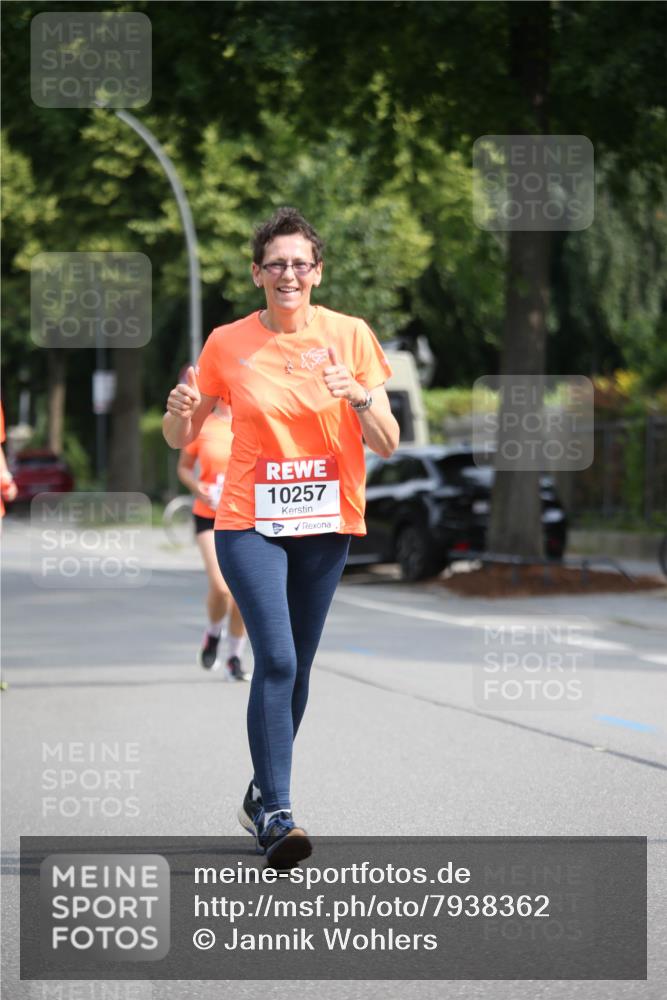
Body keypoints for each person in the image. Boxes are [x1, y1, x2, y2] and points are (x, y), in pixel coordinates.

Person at [163, 206, 399, 868]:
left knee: (300, 665)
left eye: (299, 263)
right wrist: (177, 414)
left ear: (317, 272)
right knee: (278, 659)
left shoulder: (350, 336)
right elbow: (181, 435)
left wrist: (357, 395)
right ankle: (278, 813)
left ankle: (259, 792)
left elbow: (387, 441)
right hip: (249, 521)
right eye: (276, 264)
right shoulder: (226, 343)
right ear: (256, 273)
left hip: (326, 523)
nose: (287, 274)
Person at [177, 399, 249, 680]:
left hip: (244, 515)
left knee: (243, 593)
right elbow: (184, 467)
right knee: (221, 588)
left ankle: (234, 658)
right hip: (209, 515)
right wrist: (198, 488)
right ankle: (213, 633)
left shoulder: (251, 421)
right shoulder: (203, 425)